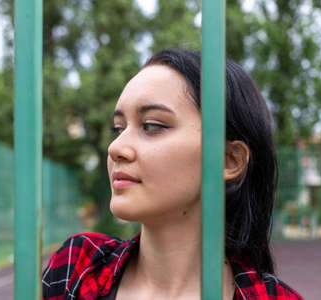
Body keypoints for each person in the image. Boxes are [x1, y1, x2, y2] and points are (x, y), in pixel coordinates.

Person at [42, 49, 304, 300]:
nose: (116, 147)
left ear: (228, 160)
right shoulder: (78, 267)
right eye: (118, 128)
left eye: (152, 126)